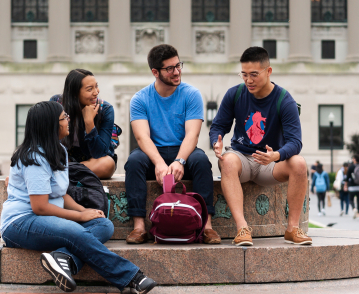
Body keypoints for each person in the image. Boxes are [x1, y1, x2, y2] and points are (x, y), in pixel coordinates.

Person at [1, 101, 157, 294]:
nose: (69, 121)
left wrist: (84, 211)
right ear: (51, 125)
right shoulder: (35, 157)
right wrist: (79, 217)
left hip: (48, 220)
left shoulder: (59, 151)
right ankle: (132, 277)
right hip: (20, 223)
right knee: (75, 231)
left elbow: (60, 194)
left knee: (103, 224)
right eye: (64, 118)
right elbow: (39, 207)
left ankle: (63, 259)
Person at [209, 46, 311, 246]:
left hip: (270, 163)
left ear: (268, 71)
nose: (248, 80)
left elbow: (295, 142)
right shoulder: (235, 94)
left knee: (299, 164)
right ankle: (242, 229)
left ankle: (292, 229)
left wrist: (278, 155)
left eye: (254, 75)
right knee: (227, 161)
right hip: (242, 158)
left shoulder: (284, 100)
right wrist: (216, 141)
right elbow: (219, 126)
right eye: (244, 74)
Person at [124, 44, 218, 245]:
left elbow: (192, 135)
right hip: (153, 153)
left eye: (178, 65)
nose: (177, 72)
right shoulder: (140, 99)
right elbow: (142, 138)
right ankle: (139, 227)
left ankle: (207, 226)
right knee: (134, 161)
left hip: (183, 150)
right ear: (155, 72)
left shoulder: (191, 94)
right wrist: (158, 162)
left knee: (201, 160)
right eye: (170, 68)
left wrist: (180, 160)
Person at [51, 68, 117, 179]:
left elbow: (100, 153)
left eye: (96, 86)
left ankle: (62, 172)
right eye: (89, 89)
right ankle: (67, 171)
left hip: (92, 160)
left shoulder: (105, 110)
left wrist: (89, 123)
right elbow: (50, 140)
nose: (96, 92)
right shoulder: (57, 104)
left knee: (107, 165)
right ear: (75, 93)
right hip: (65, 156)